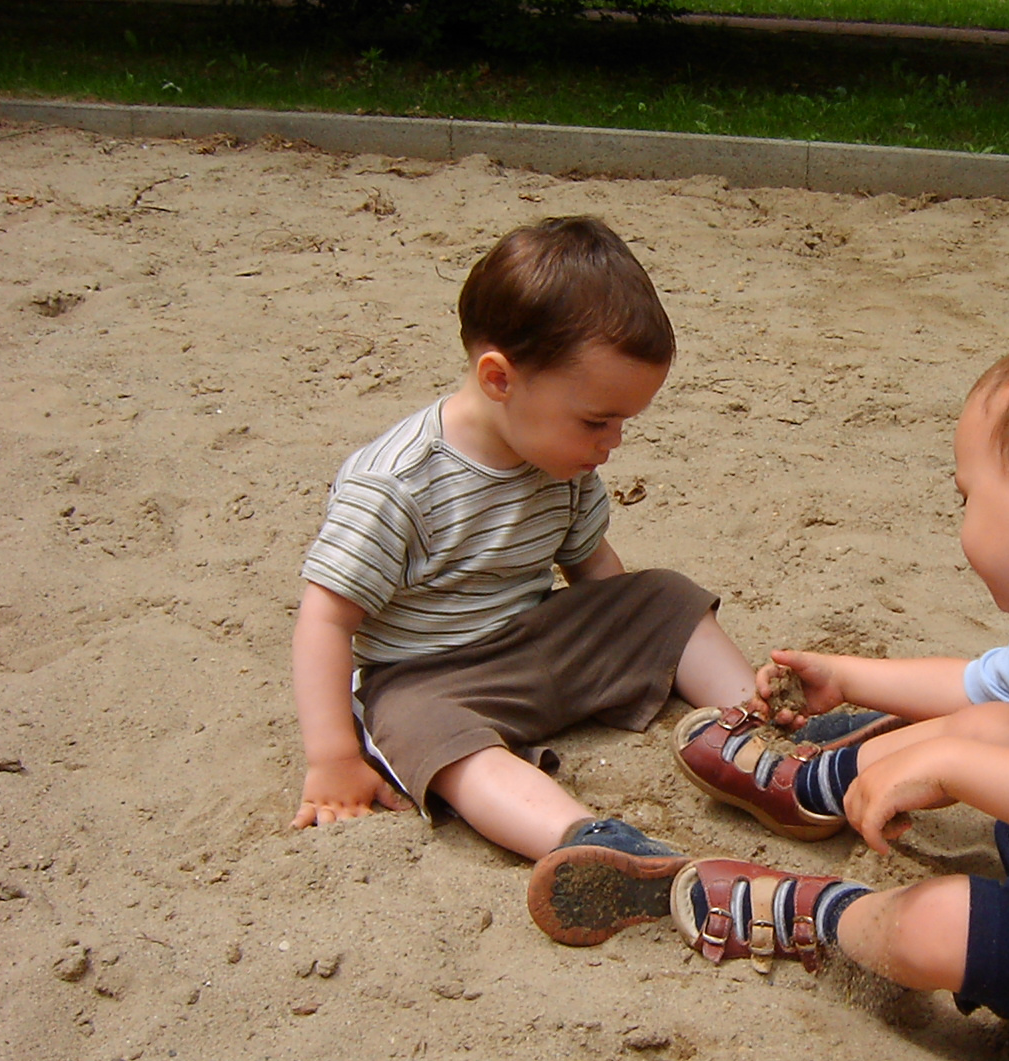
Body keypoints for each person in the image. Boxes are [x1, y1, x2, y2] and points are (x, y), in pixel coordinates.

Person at [531, 319, 1009, 1059]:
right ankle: (812, 784)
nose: (962, 522)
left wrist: (945, 768)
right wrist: (848, 676)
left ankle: (822, 913)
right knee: (999, 720)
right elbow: (971, 686)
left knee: (934, 923)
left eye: (965, 497)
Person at [290, 216, 759, 943]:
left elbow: (594, 573)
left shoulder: (561, 459)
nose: (613, 444)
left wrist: (628, 637)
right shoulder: (397, 484)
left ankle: (758, 735)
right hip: (432, 676)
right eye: (597, 421)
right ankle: (584, 839)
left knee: (663, 595)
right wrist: (332, 758)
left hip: (539, 638)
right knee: (428, 735)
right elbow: (325, 620)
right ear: (500, 379)